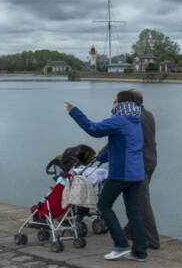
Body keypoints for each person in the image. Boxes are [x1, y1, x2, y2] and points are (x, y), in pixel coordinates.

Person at [65, 90, 147, 262]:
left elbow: (93, 129)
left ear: (122, 103)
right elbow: (121, 146)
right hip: (137, 173)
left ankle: (121, 244)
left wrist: (74, 111)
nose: (113, 104)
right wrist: (101, 157)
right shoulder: (135, 120)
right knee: (134, 211)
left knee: (103, 205)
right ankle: (140, 252)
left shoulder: (119, 120)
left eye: (115, 101)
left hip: (122, 173)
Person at [98, 89, 160, 249]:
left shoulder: (135, 117)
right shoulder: (148, 114)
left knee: (142, 204)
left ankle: (152, 241)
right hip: (150, 161)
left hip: (139, 164)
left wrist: (103, 153)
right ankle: (130, 232)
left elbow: (125, 136)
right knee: (137, 202)